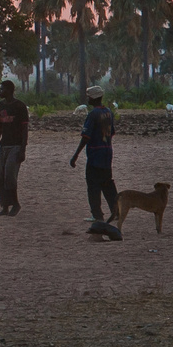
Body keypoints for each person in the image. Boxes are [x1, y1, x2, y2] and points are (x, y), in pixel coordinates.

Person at [70, 84, 120, 237]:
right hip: (107, 151)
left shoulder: (93, 115)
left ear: (93, 98)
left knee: (93, 184)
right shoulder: (108, 112)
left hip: (95, 153)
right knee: (107, 182)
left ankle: (97, 214)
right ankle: (116, 210)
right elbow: (112, 132)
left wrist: (76, 154)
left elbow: (86, 137)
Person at [0, 80, 29, 216]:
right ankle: (5, 206)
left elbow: (25, 129)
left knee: (9, 176)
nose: (0, 91)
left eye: (2, 89)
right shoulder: (0, 106)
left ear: (9, 90)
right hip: (4, 146)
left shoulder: (19, 106)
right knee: (0, 176)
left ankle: (15, 204)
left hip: (16, 146)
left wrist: (23, 149)